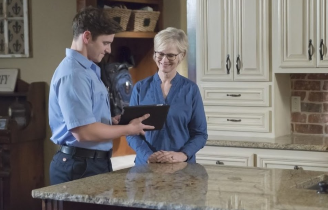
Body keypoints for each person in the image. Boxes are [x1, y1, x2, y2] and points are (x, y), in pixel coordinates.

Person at [48, 7, 154, 185]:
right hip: (79, 166)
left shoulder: (88, 71)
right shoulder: (74, 74)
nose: (109, 50)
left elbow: (88, 120)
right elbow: (84, 132)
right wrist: (129, 129)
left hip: (93, 163)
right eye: (105, 43)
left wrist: (109, 121)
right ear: (87, 37)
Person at [126, 27, 208, 165]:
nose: (164, 60)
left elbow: (200, 134)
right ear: (154, 54)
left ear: (182, 55)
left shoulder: (191, 90)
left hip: (181, 168)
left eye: (171, 55)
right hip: (147, 166)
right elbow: (130, 131)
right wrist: (148, 155)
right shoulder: (140, 88)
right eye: (160, 54)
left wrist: (182, 155)